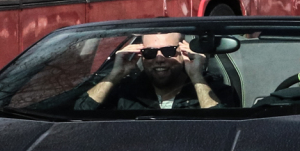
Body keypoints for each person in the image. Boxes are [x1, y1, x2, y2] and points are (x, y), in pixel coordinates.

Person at [76, 32, 237, 110]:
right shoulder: (125, 93)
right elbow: (80, 114)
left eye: (168, 51)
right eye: (150, 52)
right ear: (141, 55)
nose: (159, 58)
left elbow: (224, 128)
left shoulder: (216, 92)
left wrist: (196, 76)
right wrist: (115, 74)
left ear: (184, 52)